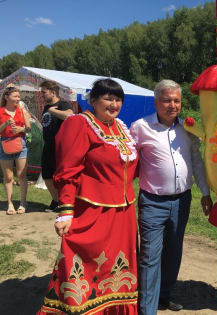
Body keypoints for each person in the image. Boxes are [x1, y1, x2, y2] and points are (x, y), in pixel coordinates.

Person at [37, 79, 139, 314]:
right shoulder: (79, 124)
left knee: (116, 268)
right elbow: (67, 170)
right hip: (93, 211)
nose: (114, 104)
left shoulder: (120, 127)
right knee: (89, 264)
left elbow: (130, 167)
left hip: (123, 214)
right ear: (93, 100)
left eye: (118, 99)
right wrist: (65, 212)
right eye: (108, 98)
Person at [129, 79, 212, 315]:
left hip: (182, 200)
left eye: (176, 100)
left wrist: (205, 193)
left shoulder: (188, 128)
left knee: (174, 252)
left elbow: (196, 161)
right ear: (156, 102)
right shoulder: (140, 127)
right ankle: (147, 308)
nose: (172, 105)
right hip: (153, 202)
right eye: (167, 100)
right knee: (150, 256)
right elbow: (125, 161)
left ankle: (163, 296)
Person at [40, 80, 73, 212]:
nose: (42, 95)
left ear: (53, 92)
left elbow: (69, 115)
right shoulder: (46, 106)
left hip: (60, 146)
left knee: (59, 175)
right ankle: (56, 200)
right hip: (48, 144)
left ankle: (64, 202)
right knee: (46, 175)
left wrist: (53, 111)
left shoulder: (62, 104)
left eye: (44, 92)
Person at [0, 85, 31, 215]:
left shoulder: (22, 111)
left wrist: (21, 129)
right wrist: (6, 124)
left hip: (21, 144)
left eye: (19, 96)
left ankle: (23, 203)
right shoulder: (0, 111)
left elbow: (29, 128)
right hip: (5, 144)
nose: (18, 99)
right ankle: (10, 203)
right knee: (8, 177)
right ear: (7, 97)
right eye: (15, 96)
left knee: (21, 175)